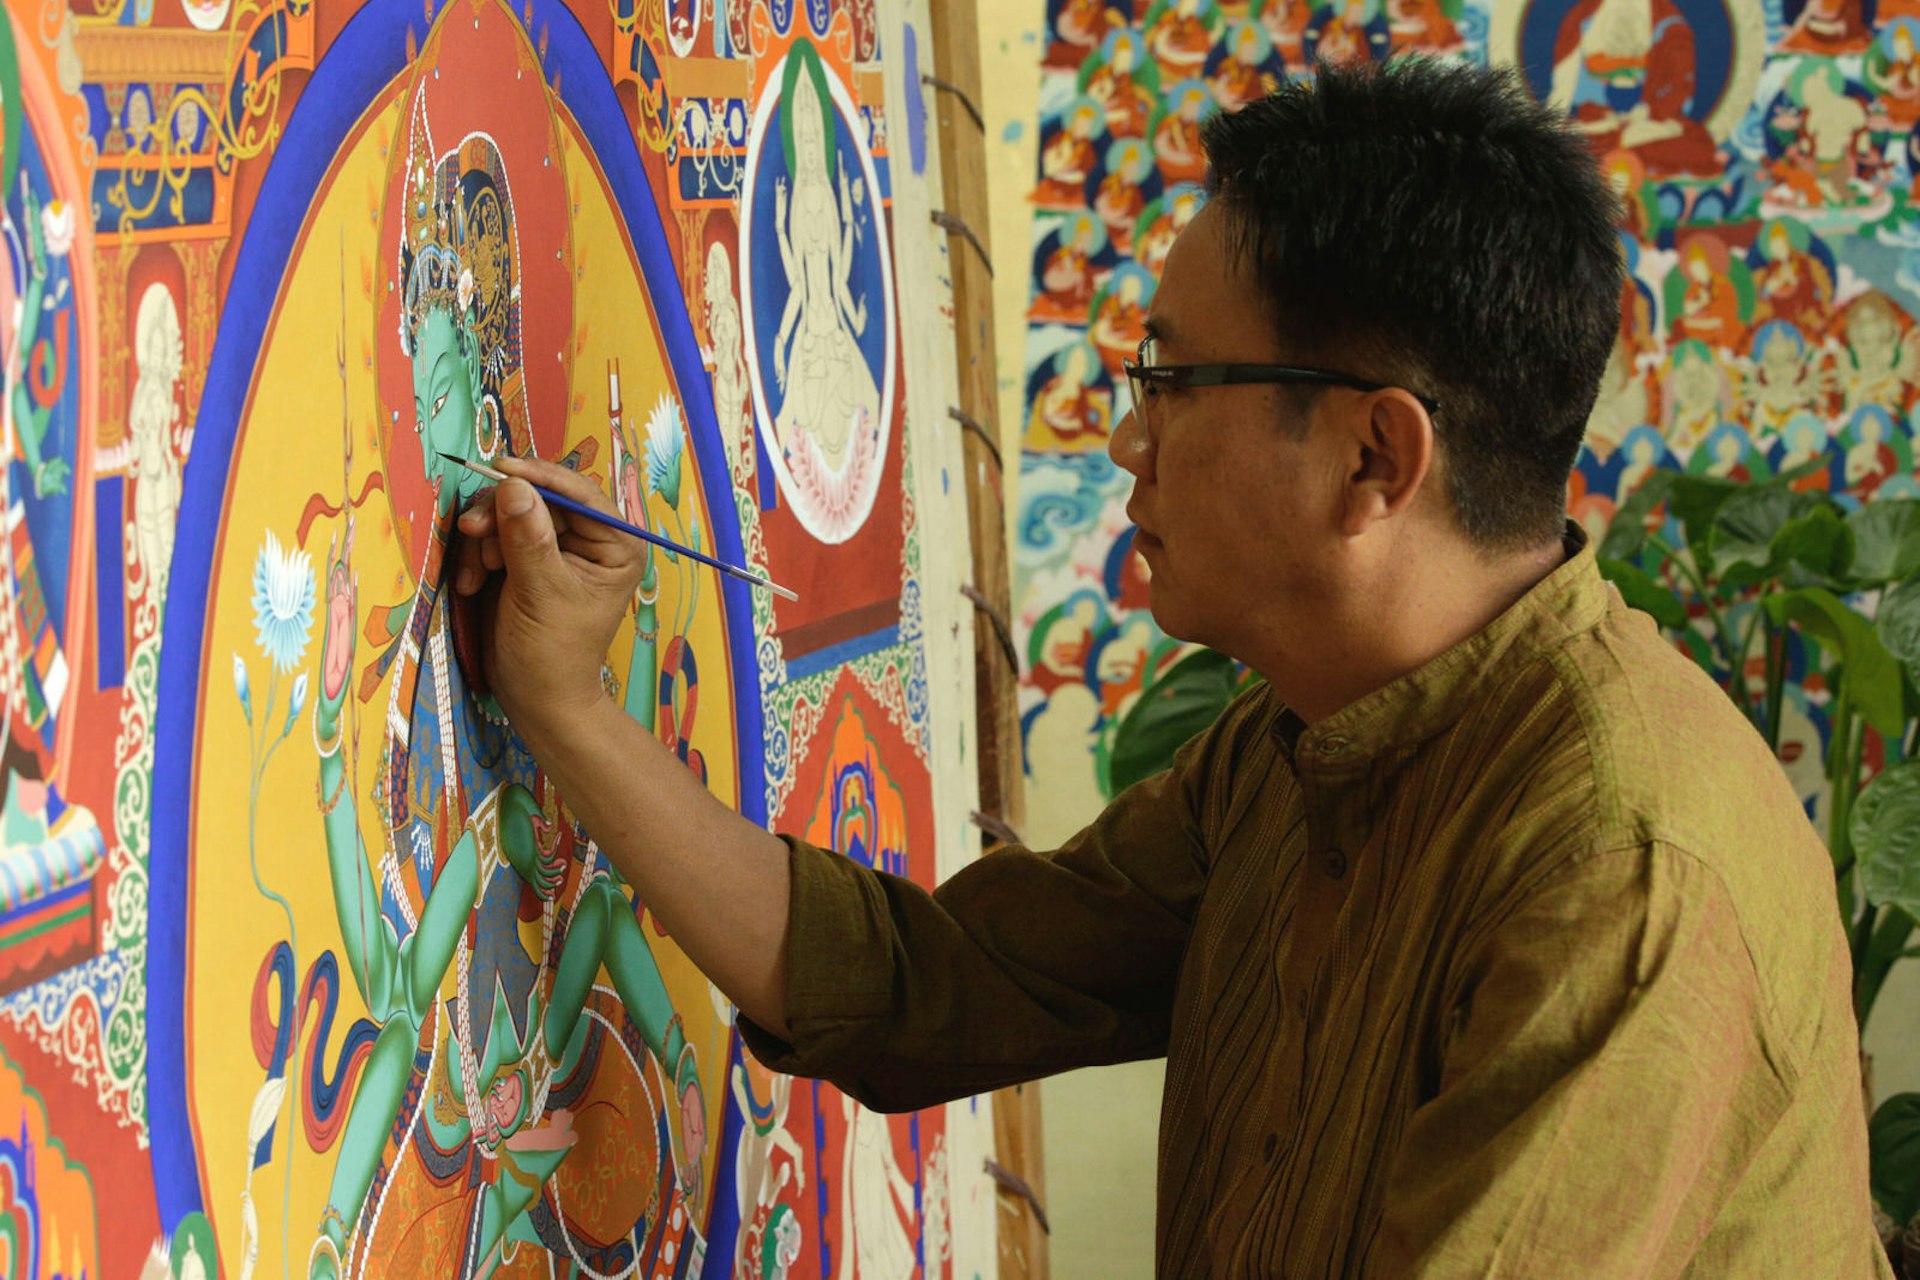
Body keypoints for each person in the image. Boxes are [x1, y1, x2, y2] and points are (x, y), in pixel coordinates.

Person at [450, 58, 1890, 1276]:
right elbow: (917, 982)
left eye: (1174, 379)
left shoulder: (1619, 871)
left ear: (1375, 456)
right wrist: (563, 701)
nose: (1130, 440)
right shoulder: (1294, 751)